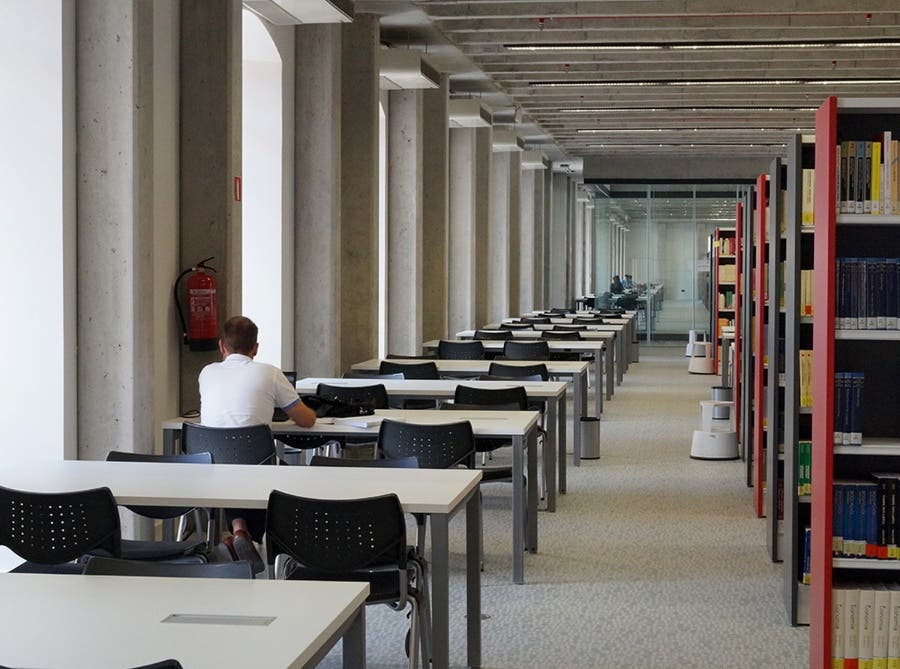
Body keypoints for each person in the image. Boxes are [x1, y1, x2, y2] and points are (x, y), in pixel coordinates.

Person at [198, 315, 316, 570]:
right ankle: (270, 546)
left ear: (221, 346)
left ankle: (239, 531)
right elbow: (305, 420)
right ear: (256, 348)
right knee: (280, 473)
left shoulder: (206, 373)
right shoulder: (270, 373)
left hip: (210, 469)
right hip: (257, 465)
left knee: (234, 467)